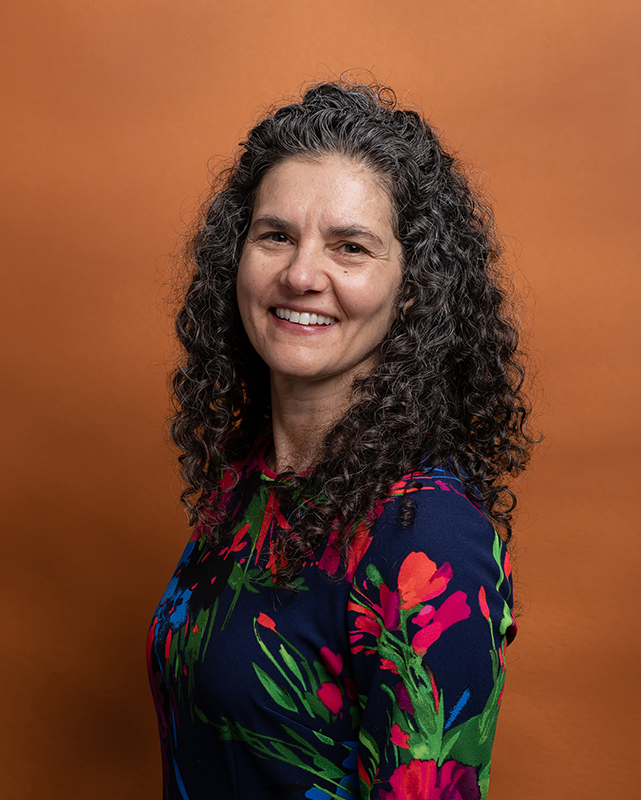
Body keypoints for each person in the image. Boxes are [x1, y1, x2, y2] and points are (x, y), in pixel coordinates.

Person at [147, 80, 535, 800]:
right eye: (276, 236)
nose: (300, 275)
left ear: (412, 288)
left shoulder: (428, 537)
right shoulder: (252, 486)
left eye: (349, 247)